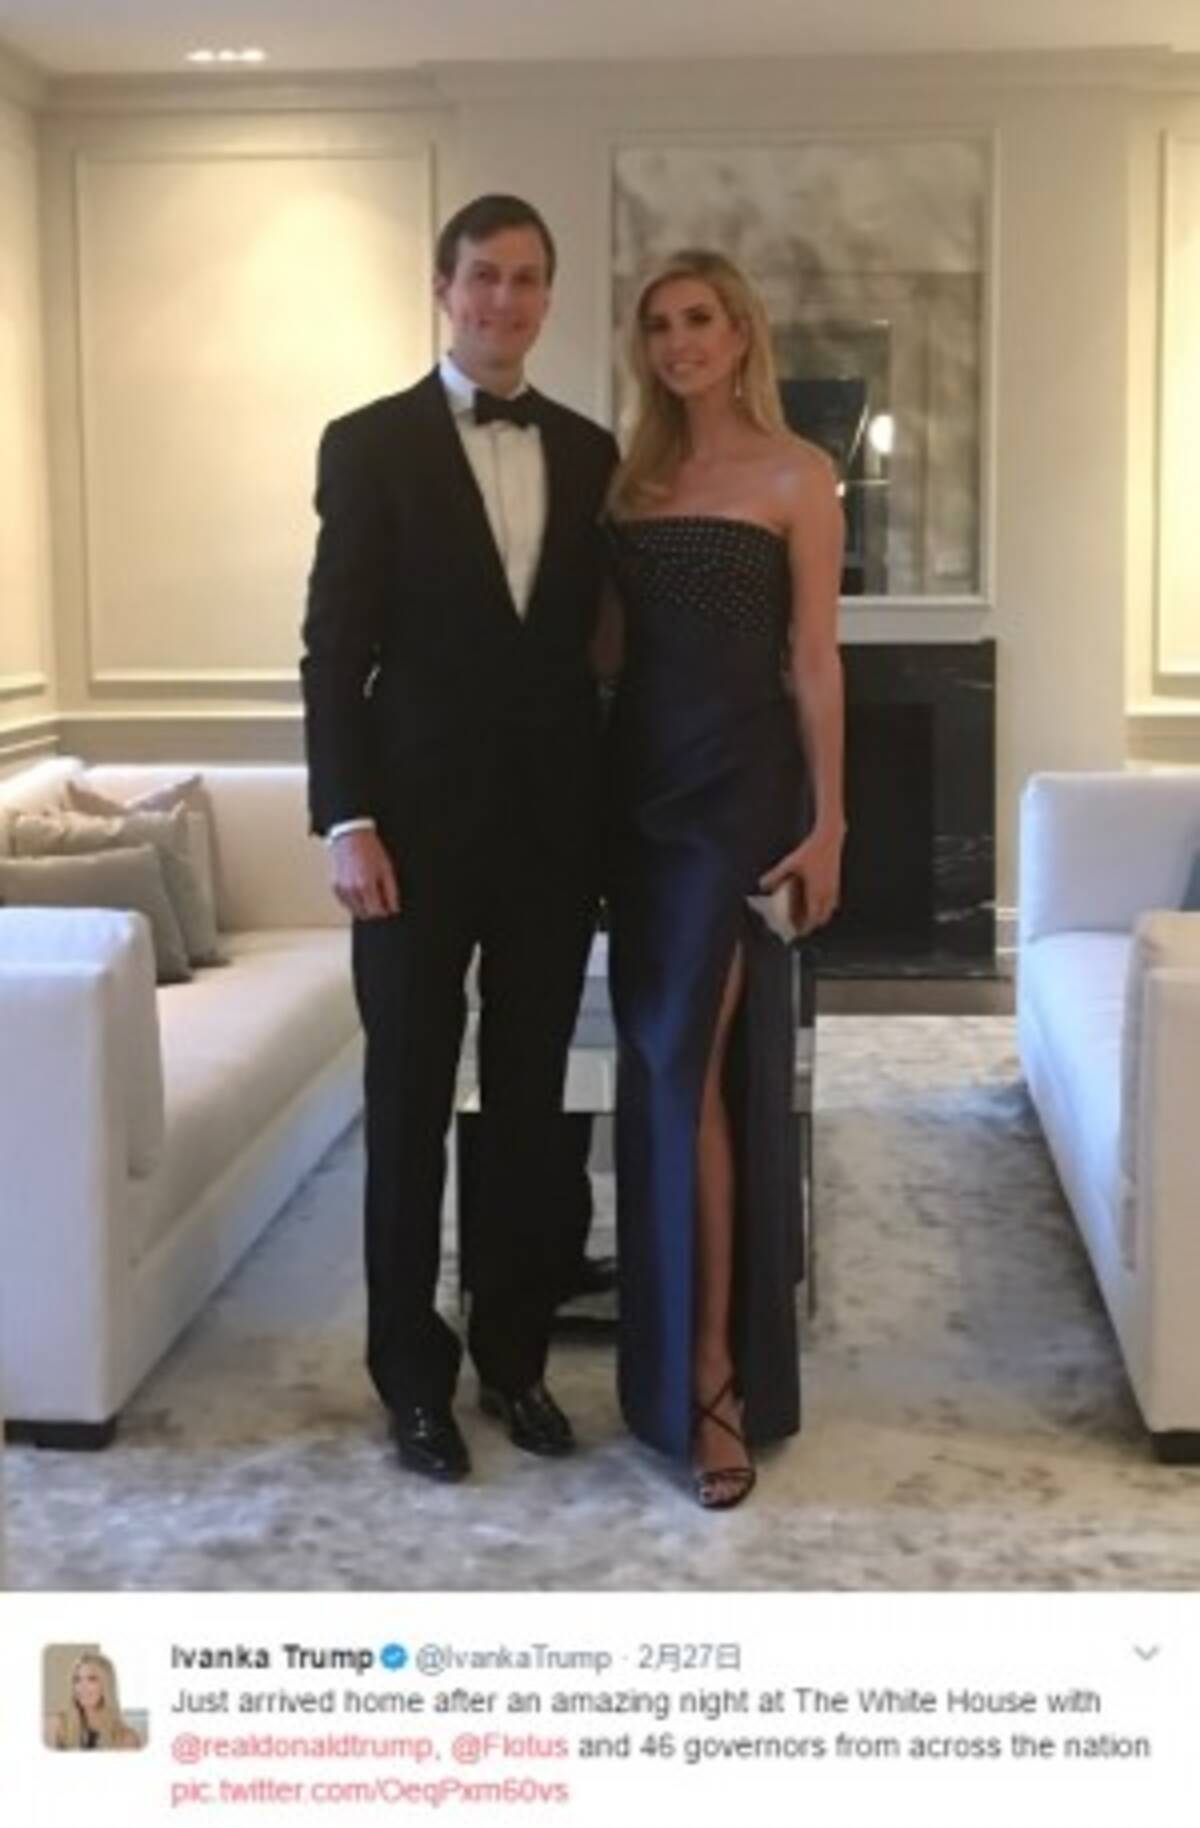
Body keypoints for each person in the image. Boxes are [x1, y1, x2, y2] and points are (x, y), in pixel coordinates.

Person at [301, 195, 619, 1482]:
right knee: (408, 1105)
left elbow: (596, 652)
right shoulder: (368, 442)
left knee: (533, 1109)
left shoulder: (590, 451)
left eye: (527, 279)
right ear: (443, 288)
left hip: (551, 837)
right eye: (483, 276)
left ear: (549, 296)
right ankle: (410, 1378)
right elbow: (335, 649)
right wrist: (347, 818)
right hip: (410, 843)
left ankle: (516, 1356)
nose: (504, 300)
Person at [603, 249, 845, 1509]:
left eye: (699, 318)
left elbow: (815, 659)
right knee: (659, 1072)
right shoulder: (628, 481)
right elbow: (601, 653)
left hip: (739, 798)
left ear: (742, 331)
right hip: (632, 798)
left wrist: (832, 821)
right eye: (659, 325)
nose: (679, 341)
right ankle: (666, 1369)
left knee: (690, 1065)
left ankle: (713, 1379)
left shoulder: (800, 474)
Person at [46, 1652, 141, 1749]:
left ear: (106, 1685)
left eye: (92, 1679)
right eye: (77, 1680)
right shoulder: (57, 1725)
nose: (82, 1687)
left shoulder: (127, 1739)